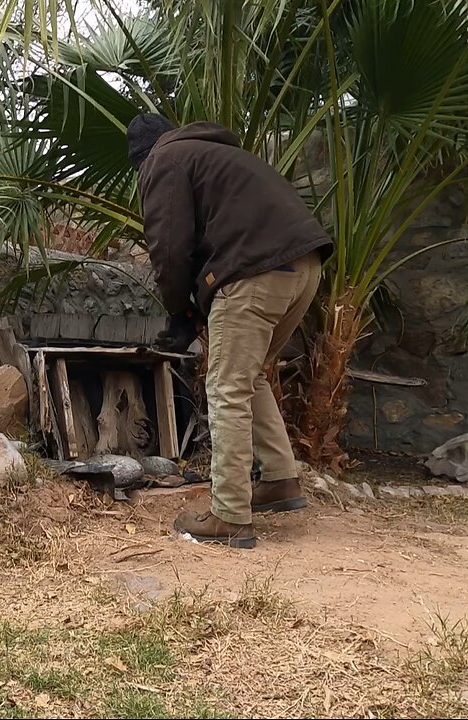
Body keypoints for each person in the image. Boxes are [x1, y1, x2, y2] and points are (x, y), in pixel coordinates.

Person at [128, 113, 334, 549]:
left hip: (255, 271)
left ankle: (229, 515)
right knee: (248, 376)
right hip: (304, 266)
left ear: (141, 158)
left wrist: (178, 312)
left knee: (226, 386)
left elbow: (168, 246)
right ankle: (279, 479)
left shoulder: (163, 160)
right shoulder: (217, 152)